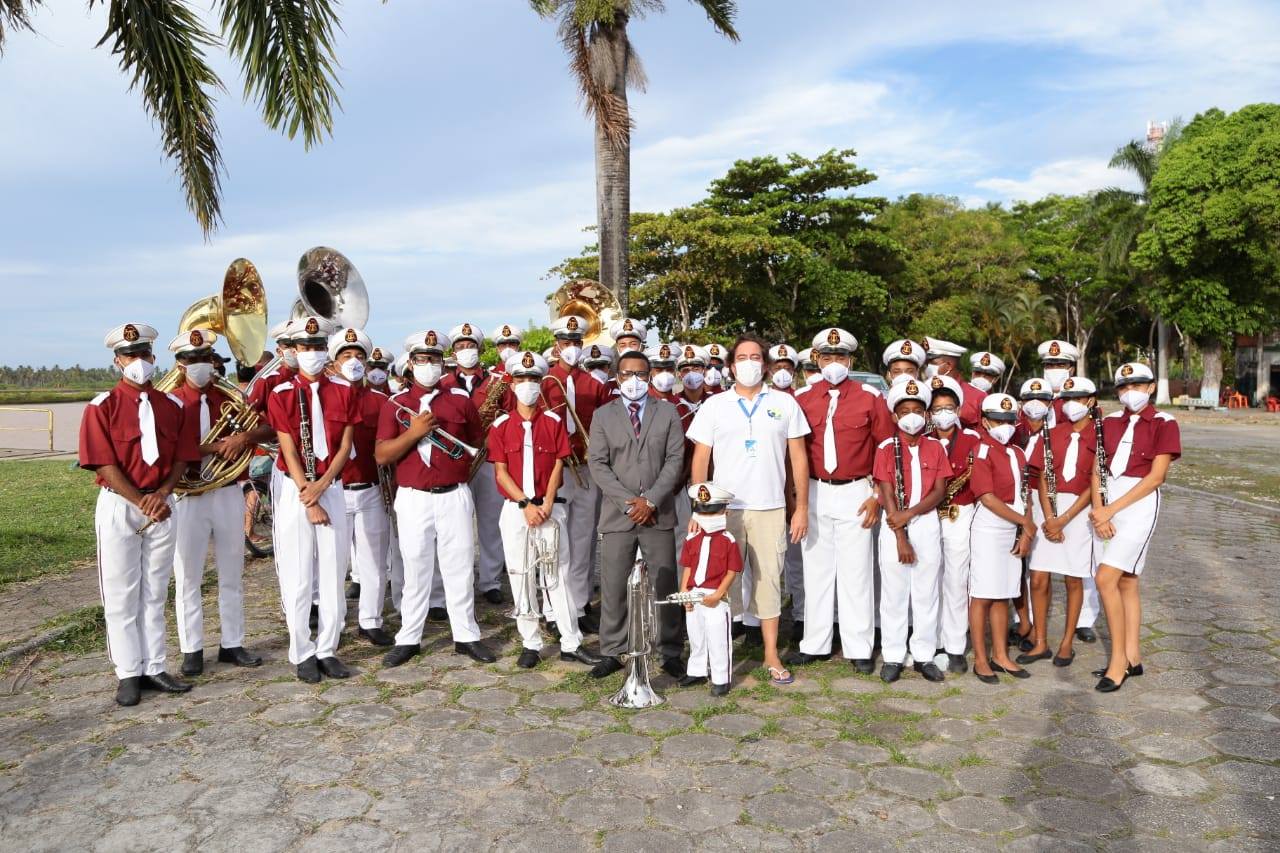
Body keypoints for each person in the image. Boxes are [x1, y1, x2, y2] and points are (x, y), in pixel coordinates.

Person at [80, 322, 201, 706]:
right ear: (118, 361)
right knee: (120, 593)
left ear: (153, 357)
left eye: (144, 354)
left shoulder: (173, 406)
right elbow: (103, 464)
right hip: (121, 505)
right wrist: (140, 500)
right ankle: (128, 672)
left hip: (163, 505)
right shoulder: (102, 407)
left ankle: (155, 666)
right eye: (130, 355)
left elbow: (183, 455)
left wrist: (162, 493)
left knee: (154, 591)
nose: (138, 361)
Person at [687, 333, 811, 686]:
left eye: (756, 357)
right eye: (742, 357)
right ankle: (718, 653)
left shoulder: (785, 404)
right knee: (719, 582)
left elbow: (798, 458)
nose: (750, 363)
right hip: (724, 511)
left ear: (767, 365)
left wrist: (800, 506)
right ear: (730, 366)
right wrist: (700, 508)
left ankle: (771, 654)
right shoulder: (714, 406)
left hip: (770, 508)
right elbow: (701, 459)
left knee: (769, 582)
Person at [376, 329, 494, 667]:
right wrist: (413, 433)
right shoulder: (396, 405)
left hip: (454, 494)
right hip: (413, 497)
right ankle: (409, 638)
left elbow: (475, 443)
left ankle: (466, 635)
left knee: (459, 568)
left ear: (444, 364)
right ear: (411, 364)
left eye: (435, 360)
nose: (429, 365)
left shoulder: (459, 399)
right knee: (416, 568)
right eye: (423, 360)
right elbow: (382, 455)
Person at [488, 350, 605, 668]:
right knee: (520, 574)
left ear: (541, 384)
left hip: (550, 508)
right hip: (516, 510)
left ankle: (571, 641)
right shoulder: (500, 425)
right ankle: (530, 642)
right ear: (512, 384)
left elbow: (558, 464)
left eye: (534, 379)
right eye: (522, 379)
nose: (528, 385)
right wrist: (525, 504)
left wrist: (548, 501)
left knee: (559, 575)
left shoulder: (553, 422)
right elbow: (500, 471)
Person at [788, 328, 891, 673]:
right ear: (816, 359)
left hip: (856, 491)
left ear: (851, 360)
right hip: (814, 491)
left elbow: (885, 449)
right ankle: (814, 643)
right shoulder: (801, 398)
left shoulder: (870, 397)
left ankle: (858, 646)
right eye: (828, 357)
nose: (835, 363)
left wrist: (878, 495)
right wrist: (796, 500)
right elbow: (794, 452)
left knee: (857, 572)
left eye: (841, 357)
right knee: (816, 568)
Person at [265, 315, 358, 683]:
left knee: (334, 572)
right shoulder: (282, 393)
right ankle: (301, 649)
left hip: (330, 485)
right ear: (294, 350)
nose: (312, 354)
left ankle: (328, 648)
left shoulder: (344, 390)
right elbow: (287, 448)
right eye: (305, 348)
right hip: (296, 488)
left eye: (318, 348)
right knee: (299, 573)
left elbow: (346, 445)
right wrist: (309, 492)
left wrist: (323, 486)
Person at [586, 348, 688, 679]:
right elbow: (598, 464)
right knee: (614, 584)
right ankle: (612, 650)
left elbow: (675, 460)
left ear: (649, 376)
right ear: (617, 378)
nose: (635, 381)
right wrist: (629, 502)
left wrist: (652, 500)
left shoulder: (667, 412)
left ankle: (670, 649)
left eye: (641, 375)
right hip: (620, 513)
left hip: (657, 512)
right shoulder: (603, 415)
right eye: (627, 374)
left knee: (664, 582)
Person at [167, 328, 262, 676]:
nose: (200, 365)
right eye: (192, 360)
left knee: (232, 572)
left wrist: (244, 437)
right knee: (188, 576)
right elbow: (166, 450)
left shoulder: (230, 399)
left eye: (205, 358)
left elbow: (264, 429)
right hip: (188, 497)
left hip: (227, 493)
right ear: (179, 364)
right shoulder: (170, 401)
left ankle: (232, 643)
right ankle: (191, 649)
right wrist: (211, 448)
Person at [1090, 362, 1179, 693]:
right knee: (1127, 581)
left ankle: (1117, 665)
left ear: (1151, 387)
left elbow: (1157, 476)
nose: (1130, 393)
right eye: (1124, 388)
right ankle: (1133, 655)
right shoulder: (1108, 422)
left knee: (1105, 578)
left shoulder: (1164, 423)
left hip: (1139, 505)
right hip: (1107, 504)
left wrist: (1112, 508)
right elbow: (1096, 468)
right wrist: (1099, 509)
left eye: (1138, 386)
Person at [541, 315, 614, 634]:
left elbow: (604, 428)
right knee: (552, 540)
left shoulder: (593, 385)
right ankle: (552, 608)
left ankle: (580, 604)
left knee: (583, 539)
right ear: (556, 345)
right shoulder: (543, 381)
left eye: (576, 343)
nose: (571, 348)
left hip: (585, 469)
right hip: (554, 472)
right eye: (566, 343)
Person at [873, 377, 949, 683]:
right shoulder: (885, 448)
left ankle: (923, 655)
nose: (911, 416)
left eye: (918, 409)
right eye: (904, 411)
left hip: (926, 522)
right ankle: (892, 655)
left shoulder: (935, 447)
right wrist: (901, 533)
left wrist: (912, 513)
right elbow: (887, 491)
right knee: (894, 593)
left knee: (926, 592)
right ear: (894, 415)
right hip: (894, 527)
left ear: (927, 414)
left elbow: (940, 489)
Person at [1022, 376, 1098, 669]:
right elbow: (1041, 475)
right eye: (1066, 400)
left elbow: (1094, 482)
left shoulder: (1098, 435)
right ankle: (1041, 641)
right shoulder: (1051, 433)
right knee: (1039, 577)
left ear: (1090, 401)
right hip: (1048, 508)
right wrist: (1050, 516)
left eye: (1077, 399)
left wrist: (1065, 518)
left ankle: (1067, 642)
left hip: (1079, 511)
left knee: (1073, 577)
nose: (1071, 405)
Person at [329, 327, 394, 647]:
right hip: (333, 491)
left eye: (358, 356)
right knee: (333, 563)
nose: (353, 361)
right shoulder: (323, 398)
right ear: (334, 362)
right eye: (346, 356)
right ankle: (335, 622)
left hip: (369, 489)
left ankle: (371, 620)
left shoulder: (380, 401)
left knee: (373, 561)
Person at [967, 393, 1037, 684]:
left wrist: (1024, 528)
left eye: (1009, 420)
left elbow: (1026, 496)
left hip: (1012, 528)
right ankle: (981, 659)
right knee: (983, 595)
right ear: (985, 421)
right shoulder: (982, 450)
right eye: (997, 420)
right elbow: (986, 497)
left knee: (1004, 593)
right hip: (989, 528)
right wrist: (1025, 523)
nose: (1004, 425)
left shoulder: (1018, 453)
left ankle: (1000, 654)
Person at [443, 322, 509, 605]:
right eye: (460, 347)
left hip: (487, 459)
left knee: (491, 521)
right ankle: (459, 581)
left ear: (480, 350)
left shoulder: (497, 382)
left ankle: (491, 580)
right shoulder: (443, 383)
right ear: (453, 352)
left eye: (470, 346)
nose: (465, 350)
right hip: (455, 460)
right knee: (455, 527)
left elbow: (507, 416)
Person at [927, 374, 983, 674]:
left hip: (961, 514)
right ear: (929, 413)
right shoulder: (922, 441)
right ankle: (931, 639)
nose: (943, 414)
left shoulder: (973, 440)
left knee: (957, 580)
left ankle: (955, 645)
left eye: (949, 407)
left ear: (959, 410)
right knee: (929, 579)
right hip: (928, 516)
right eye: (937, 409)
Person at [678, 483, 743, 696]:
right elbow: (688, 566)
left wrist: (717, 594)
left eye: (712, 512)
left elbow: (732, 571)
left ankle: (721, 677)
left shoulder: (728, 541)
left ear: (725, 511)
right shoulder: (691, 538)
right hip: (694, 593)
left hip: (716, 596)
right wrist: (684, 592)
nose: (707, 517)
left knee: (717, 637)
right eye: (702, 512)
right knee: (696, 634)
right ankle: (696, 670)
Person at [922, 337, 986, 428]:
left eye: (932, 363)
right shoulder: (923, 392)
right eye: (926, 363)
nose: (927, 367)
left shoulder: (978, 396)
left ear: (948, 365)